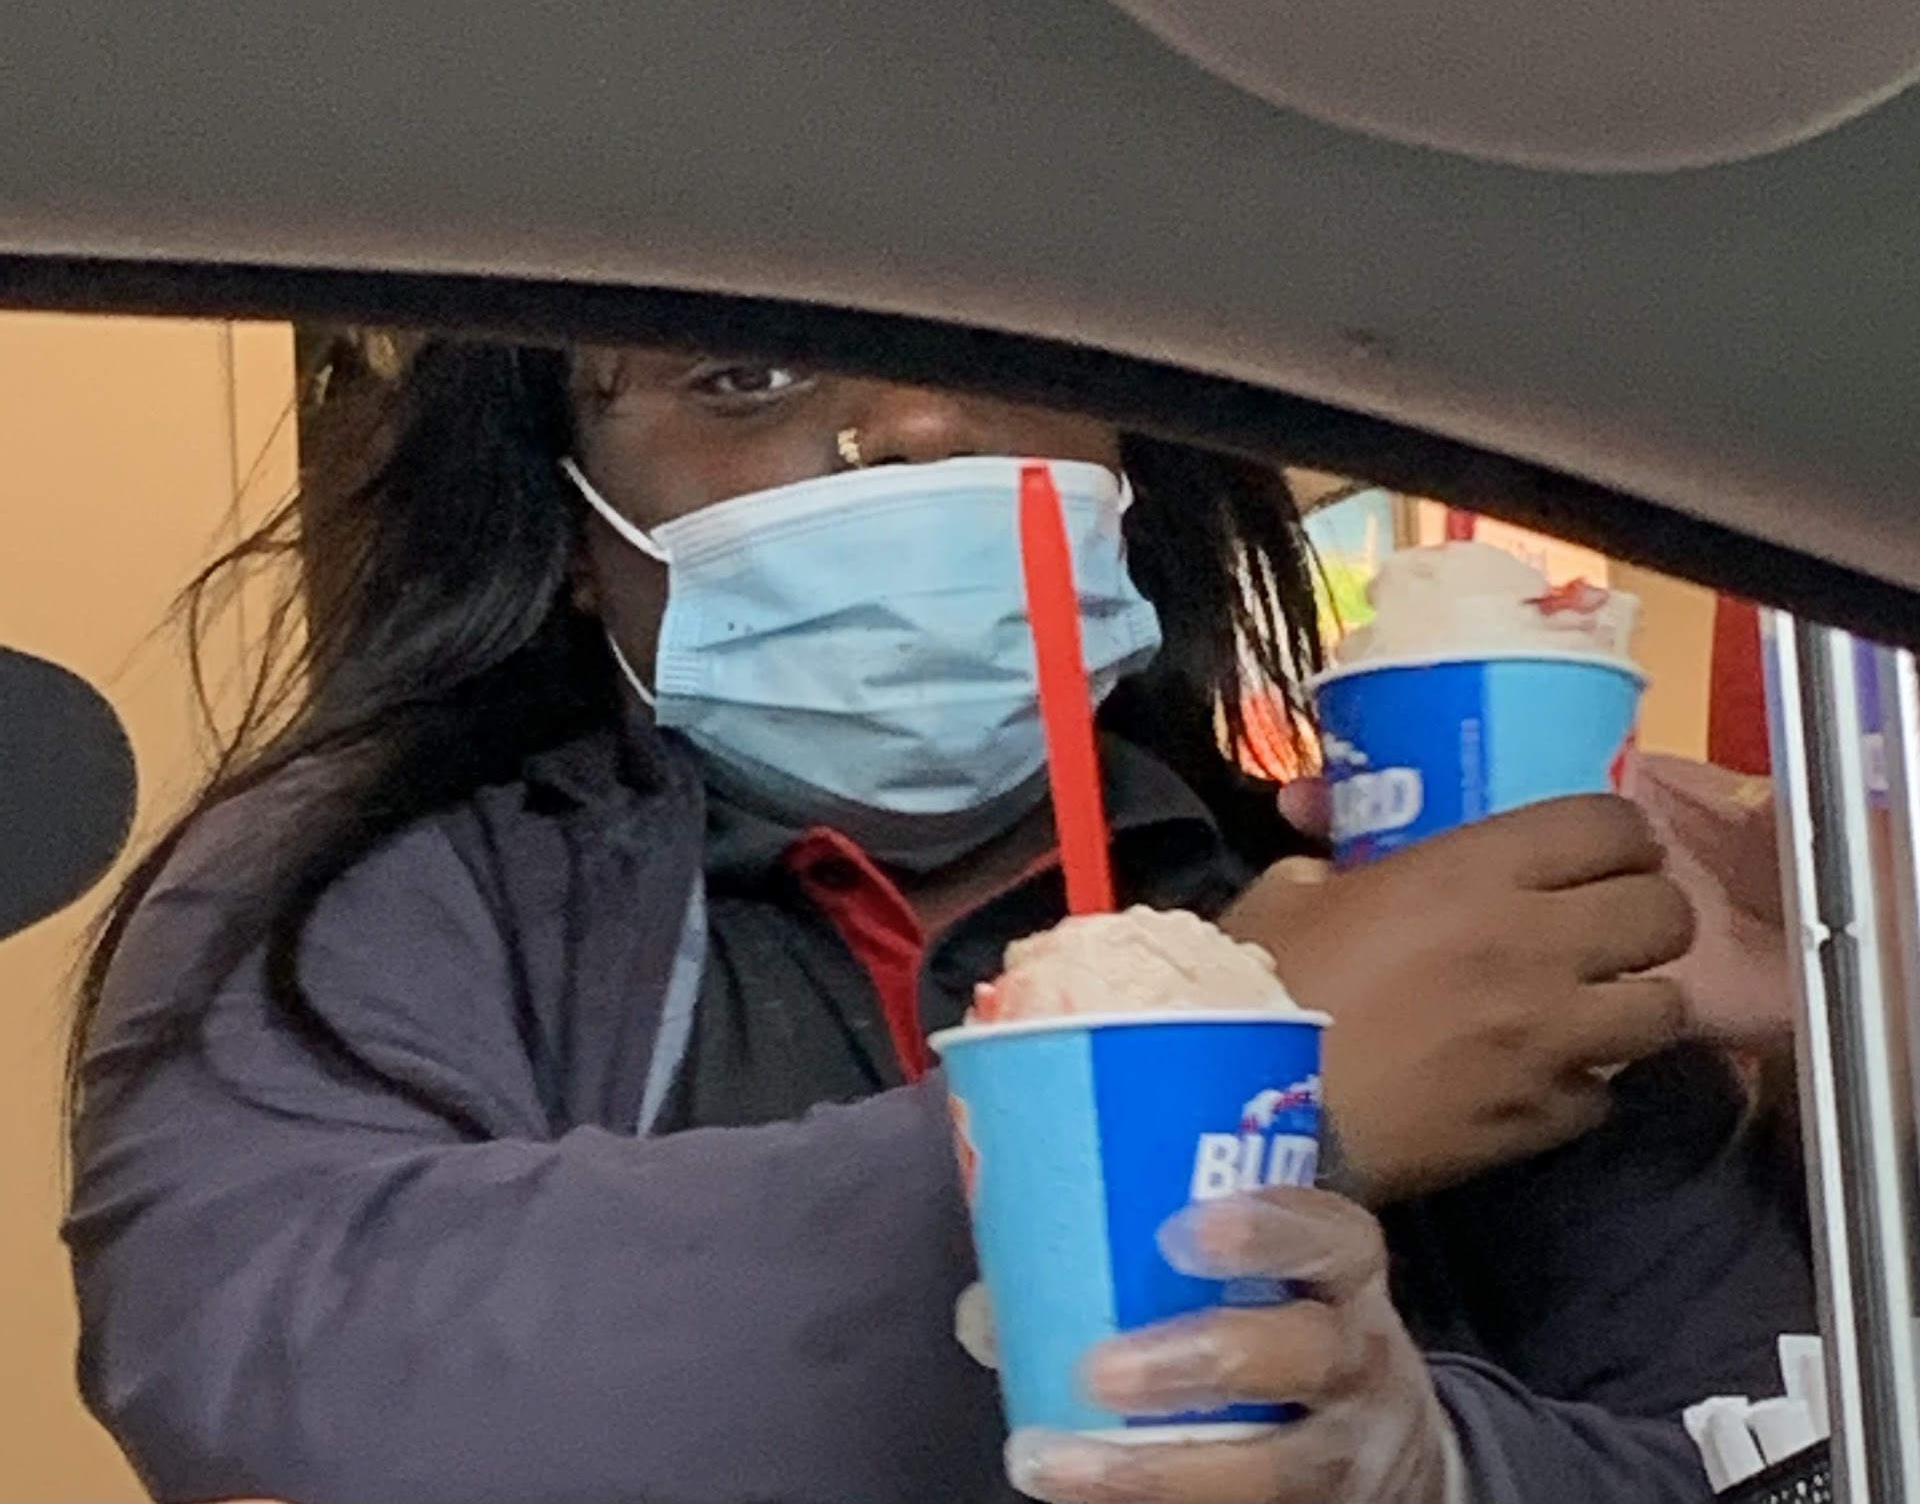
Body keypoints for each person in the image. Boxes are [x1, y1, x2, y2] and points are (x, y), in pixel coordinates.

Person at [65, 336, 1811, 1504]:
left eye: (999, 346)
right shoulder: (376, 879)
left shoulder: (1401, 905)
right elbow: (271, 1348)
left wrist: (1434, 1469)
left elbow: (1781, 1450)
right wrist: (1210, 1099)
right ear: (576, 529)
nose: (915, 421)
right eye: (740, 372)